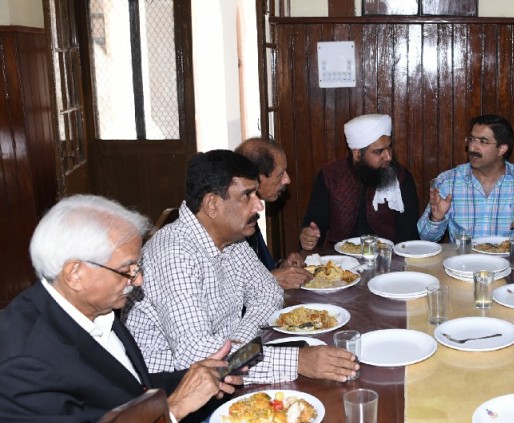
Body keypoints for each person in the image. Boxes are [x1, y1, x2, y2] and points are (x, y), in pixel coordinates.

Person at [0, 195, 243, 423]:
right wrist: (175, 409)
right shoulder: (22, 360)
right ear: (75, 273)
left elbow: (124, 389)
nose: (138, 280)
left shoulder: (94, 305)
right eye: (127, 269)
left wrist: (193, 377)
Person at [123, 150, 357, 385]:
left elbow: (269, 292)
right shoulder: (174, 254)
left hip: (226, 369)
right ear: (212, 204)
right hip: (169, 389)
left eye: (256, 193)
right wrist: (297, 361)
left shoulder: (230, 238)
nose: (259, 205)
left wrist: (239, 343)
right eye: (247, 195)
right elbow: (200, 358)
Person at [418, 114, 514, 246]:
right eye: (471, 139)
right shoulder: (448, 181)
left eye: (483, 141)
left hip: (508, 263)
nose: (472, 147)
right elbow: (425, 237)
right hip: (462, 262)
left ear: (501, 149)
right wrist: (436, 219)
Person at [299, 114, 420, 250]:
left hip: (387, 256)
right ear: (357, 154)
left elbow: (408, 233)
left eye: (389, 147)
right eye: (379, 151)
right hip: (337, 257)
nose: (388, 157)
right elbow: (314, 223)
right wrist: (308, 235)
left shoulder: (401, 177)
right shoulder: (329, 176)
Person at [235, 137, 312, 289]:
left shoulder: (250, 212)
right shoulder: (230, 218)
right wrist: (273, 278)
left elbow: (256, 268)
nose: (287, 180)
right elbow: (225, 288)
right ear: (257, 178)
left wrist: (282, 266)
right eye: (281, 174)